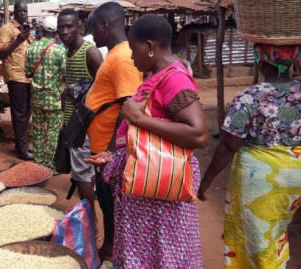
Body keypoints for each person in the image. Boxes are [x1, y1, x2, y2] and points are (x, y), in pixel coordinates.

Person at [88, 14, 208, 268]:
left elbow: (198, 133)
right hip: (145, 195)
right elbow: (153, 139)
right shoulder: (157, 75)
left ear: (151, 47)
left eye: (134, 50)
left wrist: (140, 119)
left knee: (162, 257)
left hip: (158, 199)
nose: (132, 58)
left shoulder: (174, 78)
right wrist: (117, 157)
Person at [198, 44, 301, 269]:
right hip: (296, 176)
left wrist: (205, 182)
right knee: (277, 229)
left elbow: (228, 144)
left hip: (264, 179)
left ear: (260, 59)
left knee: (259, 239)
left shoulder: (250, 97)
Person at [82, 2, 142, 260]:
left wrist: (111, 150)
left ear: (106, 25)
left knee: (113, 205)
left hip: (111, 151)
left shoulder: (122, 58)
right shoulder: (116, 54)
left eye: (94, 27)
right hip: (103, 148)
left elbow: (128, 108)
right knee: (107, 203)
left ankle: (115, 252)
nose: (92, 34)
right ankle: (109, 246)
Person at [57, 8, 104, 240]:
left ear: (79, 28)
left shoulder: (90, 52)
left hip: (84, 125)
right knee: (80, 172)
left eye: (69, 26)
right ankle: (88, 216)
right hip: (72, 121)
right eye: (61, 27)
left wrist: (78, 95)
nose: (64, 31)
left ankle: (91, 223)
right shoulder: (69, 51)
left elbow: (104, 87)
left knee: (83, 175)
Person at [25, 16, 66, 170]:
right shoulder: (60, 50)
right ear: (55, 31)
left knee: (38, 132)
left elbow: (28, 73)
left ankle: (38, 164)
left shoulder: (31, 49)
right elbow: (64, 74)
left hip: (36, 98)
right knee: (52, 133)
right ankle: (48, 166)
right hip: (53, 99)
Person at [0, 0, 34, 160]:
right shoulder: (6, 29)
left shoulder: (26, 31)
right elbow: (1, 53)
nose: (24, 14)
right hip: (15, 75)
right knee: (19, 113)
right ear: (14, 12)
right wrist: (18, 40)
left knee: (27, 110)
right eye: (21, 11)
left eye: (25, 11)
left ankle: (21, 144)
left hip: (28, 76)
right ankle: (22, 149)